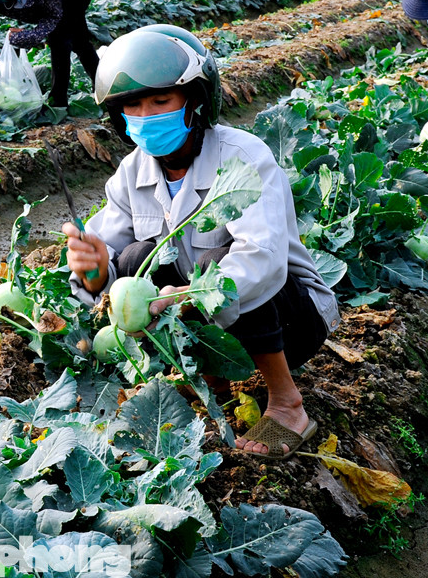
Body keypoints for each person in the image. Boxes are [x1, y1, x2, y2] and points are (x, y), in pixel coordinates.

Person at [63, 25, 340, 460]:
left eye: (160, 101)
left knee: (219, 262)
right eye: (133, 105)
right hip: (210, 326)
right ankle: (215, 380)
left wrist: (192, 294)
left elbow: (263, 261)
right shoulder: (130, 174)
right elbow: (109, 260)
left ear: (194, 102)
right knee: (137, 258)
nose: (146, 114)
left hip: (293, 319)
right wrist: (95, 269)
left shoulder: (242, 157)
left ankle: (288, 405)